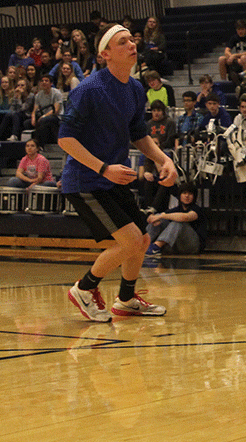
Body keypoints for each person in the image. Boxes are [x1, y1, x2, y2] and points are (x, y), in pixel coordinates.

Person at [60, 24, 177, 321]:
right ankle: (84, 289)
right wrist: (102, 167)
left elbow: (139, 134)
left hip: (113, 179)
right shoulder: (88, 89)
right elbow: (65, 139)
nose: (132, 44)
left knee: (143, 239)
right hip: (86, 180)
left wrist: (164, 159)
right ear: (105, 54)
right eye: (123, 41)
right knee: (131, 242)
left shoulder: (136, 88)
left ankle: (125, 299)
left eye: (132, 40)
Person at [145, 183, 206, 257]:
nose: (187, 196)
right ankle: (143, 244)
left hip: (192, 246)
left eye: (190, 194)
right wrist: (153, 217)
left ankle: (156, 247)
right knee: (160, 219)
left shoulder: (197, 209)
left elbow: (185, 217)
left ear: (194, 196)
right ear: (180, 195)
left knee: (178, 222)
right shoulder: (176, 209)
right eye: (184, 193)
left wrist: (162, 216)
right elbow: (155, 217)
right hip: (177, 245)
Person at [31, 74, 62, 147]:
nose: (44, 82)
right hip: (43, 117)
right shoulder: (38, 95)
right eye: (42, 81)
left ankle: (39, 145)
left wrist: (44, 116)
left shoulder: (56, 93)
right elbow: (35, 109)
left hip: (56, 116)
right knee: (27, 123)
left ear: (51, 83)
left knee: (44, 121)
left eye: (46, 81)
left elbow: (56, 110)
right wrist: (33, 118)